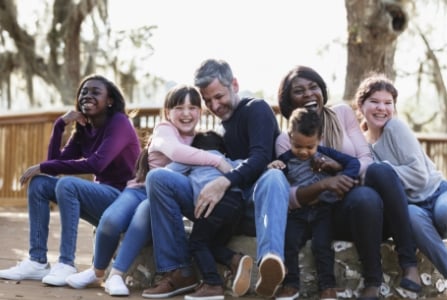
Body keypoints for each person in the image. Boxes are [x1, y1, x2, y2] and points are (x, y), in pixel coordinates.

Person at [64, 84, 232, 296]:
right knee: (110, 221)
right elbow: (175, 151)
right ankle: (97, 271)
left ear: (201, 111)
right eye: (179, 107)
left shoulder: (201, 140)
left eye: (193, 108)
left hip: (159, 200)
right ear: (167, 112)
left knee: (144, 212)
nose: (186, 114)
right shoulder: (164, 129)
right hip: (138, 190)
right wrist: (217, 161)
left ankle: (116, 274)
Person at [142, 58, 290, 299]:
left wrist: (225, 181)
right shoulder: (222, 130)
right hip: (224, 208)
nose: (214, 105)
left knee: (273, 176)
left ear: (234, 84)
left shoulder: (256, 108)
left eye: (218, 96)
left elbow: (261, 156)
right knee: (158, 178)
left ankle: (270, 261)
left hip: (255, 202)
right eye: (208, 100)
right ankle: (179, 271)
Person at [276, 66, 421, 300]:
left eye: (313, 87)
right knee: (367, 197)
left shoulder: (342, 114)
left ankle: (407, 264)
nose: (309, 94)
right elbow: (290, 195)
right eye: (299, 91)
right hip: (322, 213)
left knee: (379, 174)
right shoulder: (286, 141)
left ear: (322, 90)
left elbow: (365, 158)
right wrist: (325, 185)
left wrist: (340, 170)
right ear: (288, 100)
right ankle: (372, 281)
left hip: (354, 197)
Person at [356, 73, 447, 300]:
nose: (381, 108)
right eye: (374, 102)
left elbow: (420, 176)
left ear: (394, 107)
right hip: (414, 211)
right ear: (361, 106)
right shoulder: (362, 145)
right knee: (410, 215)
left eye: (388, 103)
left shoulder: (395, 128)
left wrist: (383, 172)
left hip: (438, 193)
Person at [0, 74, 141, 287]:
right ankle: (37, 261)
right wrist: (59, 125)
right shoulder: (84, 129)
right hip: (102, 197)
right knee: (39, 183)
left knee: (68, 184)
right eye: (84, 91)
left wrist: (43, 166)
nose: (87, 96)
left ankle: (66, 263)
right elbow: (54, 163)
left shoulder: (119, 123)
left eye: (95, 92)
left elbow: (96, 165)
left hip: (123, 200)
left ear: (109, 100)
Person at [268, 108, 360, 300]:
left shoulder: (326, 154)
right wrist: (272, 167)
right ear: (290, 136)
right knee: (290, 243)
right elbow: (277, 181)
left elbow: (354, 163)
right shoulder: (284, 159)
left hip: (323, 211)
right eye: (297, 146)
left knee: (322, 245)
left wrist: (340, 173)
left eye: (310, 147)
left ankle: (328, 287)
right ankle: (290, 285)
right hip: (298, 213)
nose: (303, 152)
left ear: (319, 139)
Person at [166, 130, 253, 300]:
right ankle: (234, 259)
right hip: (236, 205)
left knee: (196, 243)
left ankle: (212, 284)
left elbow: (166, 173)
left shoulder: (192, 160)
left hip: (214, 202)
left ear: (194, 149)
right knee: (210, 244)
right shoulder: (229, 161)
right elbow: (249, 167)